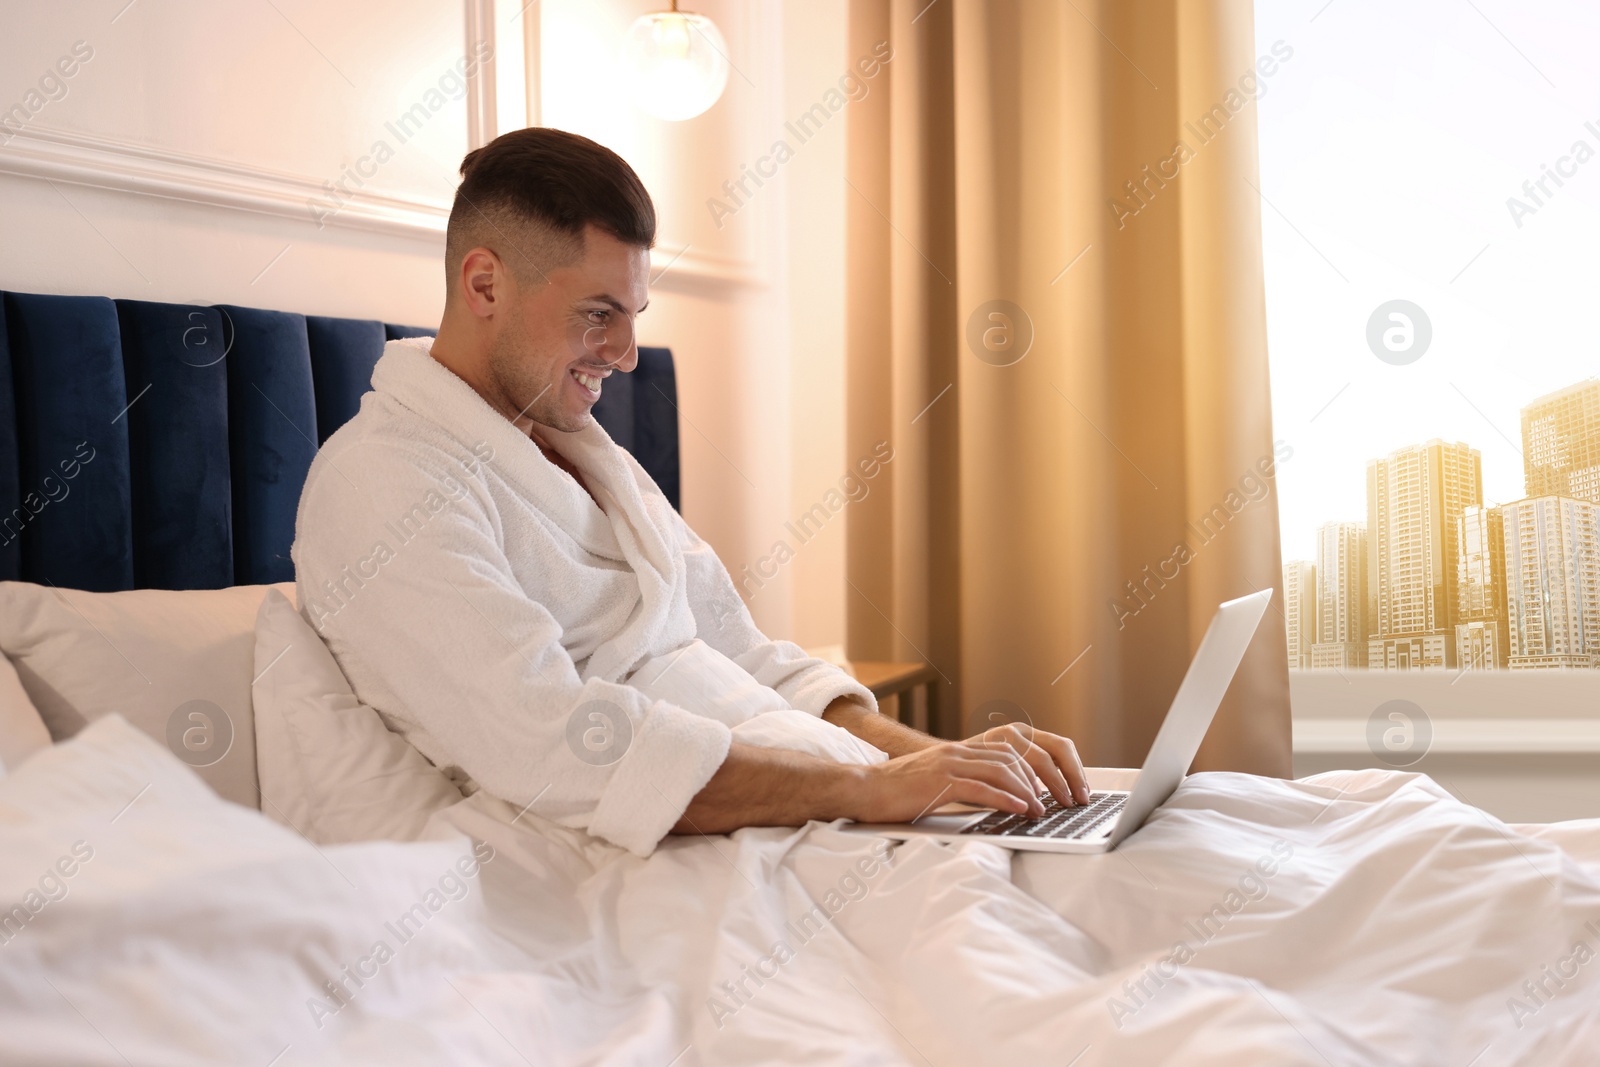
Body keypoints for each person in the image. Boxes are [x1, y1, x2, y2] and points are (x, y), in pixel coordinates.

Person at [292, 127, 1089, 856]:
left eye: (633, 314)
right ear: (485, 284)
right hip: (667, 849)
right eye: (599, 314)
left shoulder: (585, 455)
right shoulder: (383, 485)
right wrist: (875, 789)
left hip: (813, 799)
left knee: (1161, 838)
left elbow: (743, 652)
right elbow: (554, 743)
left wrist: (936, 759)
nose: (628, 353)